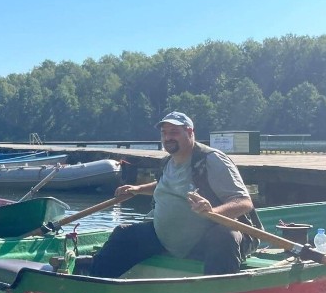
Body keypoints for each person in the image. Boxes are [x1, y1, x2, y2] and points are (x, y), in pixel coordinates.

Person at [89, 111, 259, 278]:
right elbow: (166, 185)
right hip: (167, 238)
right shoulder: (168, 162)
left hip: (204, 241)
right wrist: (138, 189)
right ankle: (91, 291)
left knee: (224, 237)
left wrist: (213, 212)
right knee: (123, 235)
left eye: (174, 132)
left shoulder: (211, 160)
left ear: (190, 132)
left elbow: (244, 202)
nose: (168, 137)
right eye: (164, 133)